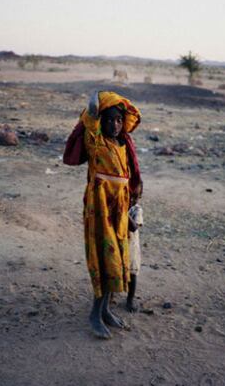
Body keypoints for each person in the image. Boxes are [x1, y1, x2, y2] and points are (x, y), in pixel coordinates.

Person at [81, 90, 141, 339]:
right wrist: (98, 100)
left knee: (118, 261)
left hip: (119, 213)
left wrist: (128, 213)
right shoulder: (97, 142)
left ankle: (105, 310)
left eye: (118, 120)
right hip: (100, 211)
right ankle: (95, 314)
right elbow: (91, 116)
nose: (114, 125)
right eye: (109, 120)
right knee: (104, 261)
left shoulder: (122, 145)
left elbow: (126, 183)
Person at [126, 181, 144, 313]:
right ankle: (109, 297)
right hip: (118, 244)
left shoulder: (137, 210)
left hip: (131, 246)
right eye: (129, 194)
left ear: (140, 197)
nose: (132, 199)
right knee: (114, 270)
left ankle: (130, 300)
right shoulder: (118, 205)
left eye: (136, 196)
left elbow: (134, 227)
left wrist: (123, 213)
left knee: (132, 274)